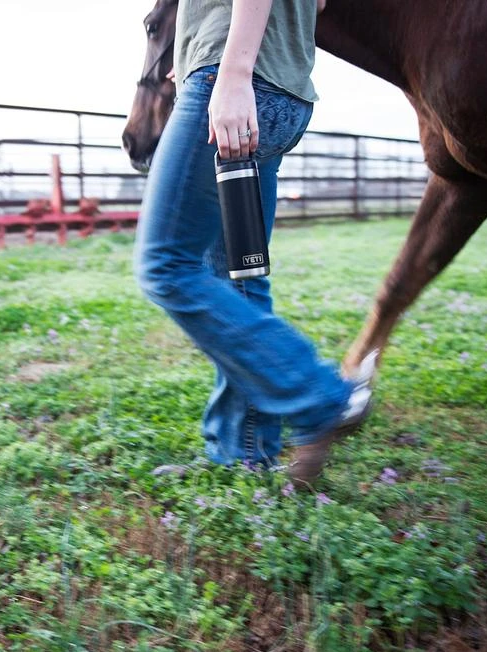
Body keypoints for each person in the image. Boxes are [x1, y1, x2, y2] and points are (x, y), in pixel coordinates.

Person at [134, 0, 376, 487]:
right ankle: (242, 451)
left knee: (165, 264)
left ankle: (323, 397)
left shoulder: (230, 76)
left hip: (233, 83)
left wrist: (232, 72)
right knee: (238, 275)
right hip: (284, 90)